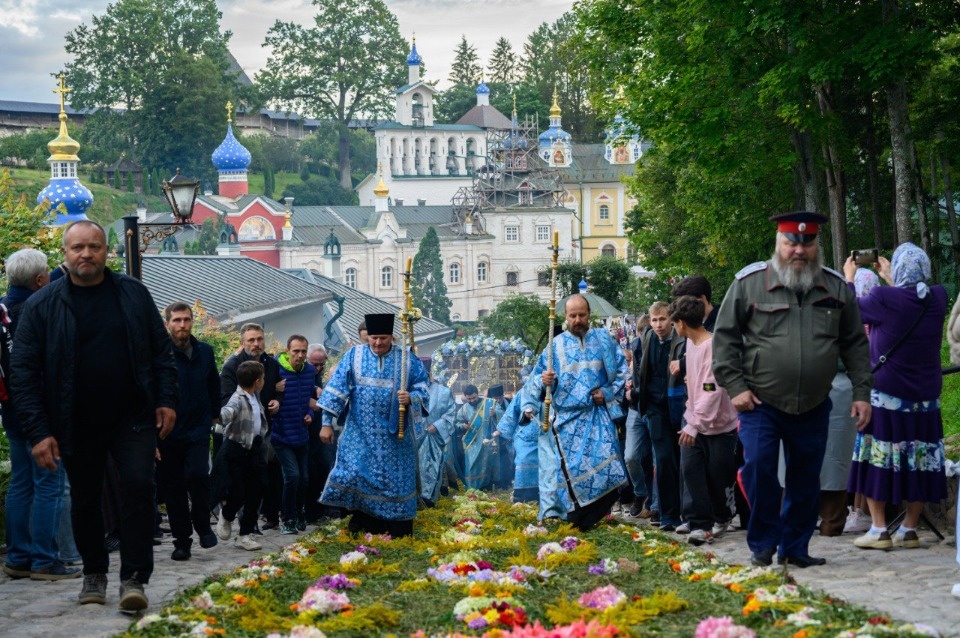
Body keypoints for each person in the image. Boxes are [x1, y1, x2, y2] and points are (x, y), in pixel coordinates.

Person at [11, 220, 178, 611]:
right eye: (78, 248)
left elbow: (161, 352)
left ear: (107, 251)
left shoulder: (133, 294)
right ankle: (94, 572)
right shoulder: (42, 305)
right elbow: (23, 373)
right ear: (65, 254)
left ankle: (134, 577)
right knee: (85, 500)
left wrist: (166, 399)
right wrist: (38, 432)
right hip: (74, 420)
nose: (86, 254)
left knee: (138, 486)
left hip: (132, 417)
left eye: (95, 246)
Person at [712, 211, 872, 568]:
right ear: (778, 244)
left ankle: (795, 547)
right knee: (759, 468)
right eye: (791, 242)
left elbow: (855, 345)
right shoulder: (749, 284)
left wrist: (862, 392)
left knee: (805, 478)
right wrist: (735, 386)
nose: (799, 250)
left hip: (815, 403)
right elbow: (724, 339)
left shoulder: (834, 288)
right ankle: (763, 542)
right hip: (760, 403)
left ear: (817, 246)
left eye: (807, 243)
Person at [844, 243, 948, 550]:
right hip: (926, 396)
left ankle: (878, 529)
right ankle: (909, 528)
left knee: (878, 458)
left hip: (888, 395)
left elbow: (850, 313)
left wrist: (850, 278)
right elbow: (912, 296)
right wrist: (892, 276)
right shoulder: (938, 297)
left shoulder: (881, 298)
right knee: (920, 460)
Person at [1, 248, 79, 581]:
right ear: (38, 280)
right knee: (49, 483)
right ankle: (45, 561)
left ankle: (18, 556)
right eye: (47, 273)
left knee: (21, 483)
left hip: (11, 411)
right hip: (41, 412)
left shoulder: (3, 310)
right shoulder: (38, 311)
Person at [317, 313, 429, 537]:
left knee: (396, 483)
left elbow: (423, 387)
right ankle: (364, 525)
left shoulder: (407, 359)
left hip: (396, 437)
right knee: (356, 476)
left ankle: (398, 530)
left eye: (383, 338)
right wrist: (326, 423)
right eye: (373, 338)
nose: (377, 343)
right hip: (361, 433)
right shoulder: (354, 356)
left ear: (392, 337)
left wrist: (412, 398)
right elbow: (336, 389)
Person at [527, 294, 629, 531]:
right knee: (575, 472)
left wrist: (607, 392)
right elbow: (534, 382)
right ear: (565, 317)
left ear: (589, 314)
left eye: (582, 314)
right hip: (568, 422)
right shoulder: (554, 347)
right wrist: (545, 380)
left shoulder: (604, 340)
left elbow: (623, 373)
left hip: (597, 415)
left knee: (611, 469)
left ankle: (594, 513)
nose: (577, 320)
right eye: (572, 315)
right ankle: (579, 519)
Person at [668, 296, 738, 545]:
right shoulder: (690, 344)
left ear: (682, 323)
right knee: (691, 470)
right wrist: (691, 418)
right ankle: (700, 525)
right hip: (694, 419)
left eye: (675, 323)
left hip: (718, 426)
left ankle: (722, 515)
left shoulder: (712, 345)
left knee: (716, 476)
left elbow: (712, 388)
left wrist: (695, 424)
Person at [157, 302, 220, 561]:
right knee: (174, 489)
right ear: (167, 324)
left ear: (193, 322)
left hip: (197, 428)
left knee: (198, 475)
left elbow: (213, 384)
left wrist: (213, 416)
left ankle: (203, 526)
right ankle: (182, 540)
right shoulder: (160, 354)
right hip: (168, 432)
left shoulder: (204, 351)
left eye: (186, 320)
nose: (182, 325)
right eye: (177, 320)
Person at [219, 323, 282, 530]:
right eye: (251, 340)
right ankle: (236, 519)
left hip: (262, 434)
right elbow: (226, 400)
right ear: (242, 343)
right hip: (239, 436)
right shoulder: (233, 366)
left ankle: (249, 525)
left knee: (259, 483)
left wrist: (276, 400)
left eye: (259, 339)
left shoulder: (270, 364)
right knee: (241, 486)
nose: (256, 344)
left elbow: (276, 388)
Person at [632, 301, 686, 531]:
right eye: (654, 320)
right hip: (654, 409)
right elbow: (641, 371)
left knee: (682, 461)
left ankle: (686, 512)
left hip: (679, 407)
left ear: (671, 319)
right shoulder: (648, 338)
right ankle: (668, 515)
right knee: (663, 461)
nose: (658, 325)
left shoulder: (681, 339)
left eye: (662, 319)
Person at [214, 361, 268, 552]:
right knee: (238, 493)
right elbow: (227, 413)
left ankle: (245, 534)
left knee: (256, 491)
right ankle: (227, 515)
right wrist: (215, 415)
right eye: (262, 378)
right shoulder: (237, 398)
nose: (264, 381)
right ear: (257, 381)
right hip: (235, 450)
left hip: (253, 449)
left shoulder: (255, 395)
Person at [273, 335, 317, 534]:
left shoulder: (309, 371)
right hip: (281, 433)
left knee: (305, 478)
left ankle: (299, 512)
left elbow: (309, 398)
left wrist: (309, 414)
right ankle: (287, 518)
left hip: (301, 433)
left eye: (303, 352)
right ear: (287, 351)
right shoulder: (276, 369)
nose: (300, 355)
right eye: (296, 351)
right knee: (292, 476)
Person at [417, 358, 457, 506]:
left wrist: (438, 425)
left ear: (429, 372)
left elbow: (451, 413)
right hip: (415, 438)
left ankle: (429, 498)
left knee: (433, 467)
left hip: (434, 437)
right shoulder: (408, 392)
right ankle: (415, 498)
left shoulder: (444, 392)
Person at [304, 343, 335, 523]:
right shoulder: (302, 374)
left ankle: (320, 510)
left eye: (321, 365)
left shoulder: (319, 377)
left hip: (319, 430)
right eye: (314, 364)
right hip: (303, 431)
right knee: (309, 473)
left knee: (324, 468)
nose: (318, 368)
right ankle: (309, 512)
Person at [496, 383, 540, 504]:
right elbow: (512, 411)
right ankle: (522, 495)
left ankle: (544, 495)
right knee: (523, 461)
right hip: (524, 435)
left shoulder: (553, 391)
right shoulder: (524, 392)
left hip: (547, 436)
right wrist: (501, 430)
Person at [456, 384, 504, 490]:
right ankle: (472, 488)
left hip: (487, 441)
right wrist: (463, 426)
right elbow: (455, 423)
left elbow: (504, 416)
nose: (472, 400)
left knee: (487, 464)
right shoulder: (464, 409)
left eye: (474, 397)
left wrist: (496, 413)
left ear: (478, 394)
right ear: (465, 397)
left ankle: (487, 486)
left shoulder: (490, 403)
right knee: (471, 465)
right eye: (469, 399)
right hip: (472, 442)